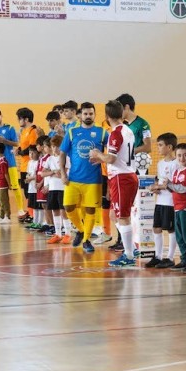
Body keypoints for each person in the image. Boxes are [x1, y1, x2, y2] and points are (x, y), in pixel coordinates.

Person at [90, 100, 139, 267]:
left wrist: (98, 154)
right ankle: (131, 247)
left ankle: (129, 256)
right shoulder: (128, 130)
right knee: (114, 215)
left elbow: (111, 158)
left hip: (122, 178)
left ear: (106, 116)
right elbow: (118, 156)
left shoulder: (116, 133)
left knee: (123, 217)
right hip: (125, 176)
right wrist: (102, 160)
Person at [58, 102, 109, 253]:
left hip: (93, 180)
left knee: (90, 210)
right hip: (73, 178)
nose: (88, 116)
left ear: (94, 115)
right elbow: (62, 153)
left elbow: (112, 151)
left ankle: (86, 240)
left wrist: (102, 159)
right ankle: (80, 230)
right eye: (85, 114)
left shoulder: (103, 133)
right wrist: (62, 172)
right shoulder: (72, 132)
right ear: (81, 115)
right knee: (68, 207)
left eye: (91, 114)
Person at [164, 143, 186, 273]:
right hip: (177, 207)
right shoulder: (177, 171)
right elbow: (173, 188)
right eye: (179, 155)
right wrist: (163, 186)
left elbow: (183, 189)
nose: (182, 158)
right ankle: (184, 259)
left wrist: (169, 184)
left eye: (185, 155)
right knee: (179, 235)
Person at [146, 133, 179, 269]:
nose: (158, 148)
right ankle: (158, 256)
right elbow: (161, 182)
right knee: (156, 228)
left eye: (160, 145)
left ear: (169, 147)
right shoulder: (160, 163)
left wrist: (160, 186)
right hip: (160, 201)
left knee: (171, 230)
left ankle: (170, 257)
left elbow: (172, 184)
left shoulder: (176, 164)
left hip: (170, 202)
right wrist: (155, 188)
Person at [0, 108, 26, 220]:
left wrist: (4, 141)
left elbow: (16, 143)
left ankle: (20, 210)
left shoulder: (9, 128)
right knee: (0, 190)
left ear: (1, 116)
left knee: (15, 187)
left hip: (10, 163)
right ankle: (3, 214)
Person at [43, 135, 72, 244]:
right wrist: (52, 172)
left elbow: (63, 173)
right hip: (53, 188)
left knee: (63, 211)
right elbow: (42, 173)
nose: (55, 148)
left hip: (63, 188)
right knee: (55, 211)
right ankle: (58, 233)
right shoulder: (49, 159)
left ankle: (68, 234)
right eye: (53, 146)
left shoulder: (66, 158)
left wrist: (55, 172)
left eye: (58, 146)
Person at [117, 93, 153, 169]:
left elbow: (148, 147)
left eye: (119, 109)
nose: (118, 112)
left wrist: (127, 151)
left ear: (126, 107)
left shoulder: (142, 124)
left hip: (139, 165)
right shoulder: (123, 125)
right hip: (125, 166)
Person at [16, 107, 39, 222]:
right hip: (24, 165)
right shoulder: (23, 132)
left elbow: (32, 147)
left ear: (26, 119)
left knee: (31, 191)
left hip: (30, 165)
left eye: (19, 119)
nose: (18, 121)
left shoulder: (32, 131)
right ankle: (30, 212)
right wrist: (18, 150)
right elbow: (22, 147)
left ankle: (33, 215)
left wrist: (19, 152)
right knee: (26, 191)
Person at [0, 142, 11, 225]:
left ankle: (8, 216)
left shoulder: (3, 162)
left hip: (3, 184)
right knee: (0, 200)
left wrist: (9, 184)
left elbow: (6, 174)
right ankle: (2, 216)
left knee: (4, 200)